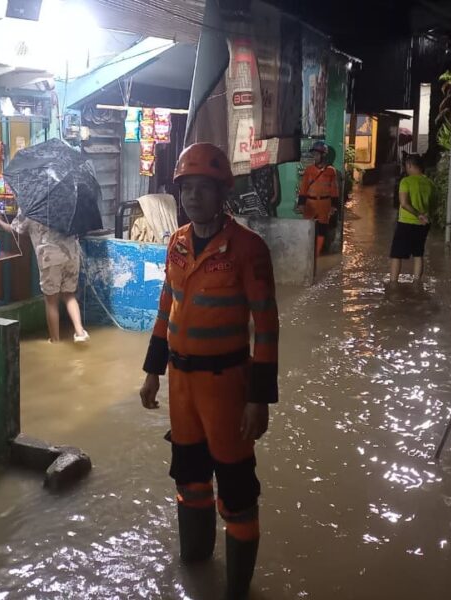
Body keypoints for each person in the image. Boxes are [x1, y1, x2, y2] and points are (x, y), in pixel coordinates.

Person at [139, 143, 279, 600]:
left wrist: (259, 399)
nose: (193, 196)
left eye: (203, 188)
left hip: (227, 389)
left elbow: (267, 326)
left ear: (223, 192)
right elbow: (166, 308)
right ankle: (195, 568)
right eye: (186, 188)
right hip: (181, 386)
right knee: (189, 478)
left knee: (237, 489)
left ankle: (237, 589)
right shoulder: (177, 242)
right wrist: (151, 372)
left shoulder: (248, 249)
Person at [0, 210, 89, 343]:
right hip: (72, 254)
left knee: (51, 301)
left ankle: (55, 341)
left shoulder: (31, 207)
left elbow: (15, 229)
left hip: (50, 257)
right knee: (69, 295)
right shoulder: (66, 204)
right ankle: (80, 332)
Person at [389, 154, 434, 287]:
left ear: (409, 165)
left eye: (406, 166)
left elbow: (404, 203)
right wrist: (424, 216)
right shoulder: (430, 183)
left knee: (397, 254)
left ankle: (393, 284)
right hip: (424, 224)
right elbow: (433, 205)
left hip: (406, 222)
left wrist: (417, 214)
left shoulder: (406, 181)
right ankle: (416, 284)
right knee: (418, 253)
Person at [296, 141, 339, 257]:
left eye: (317, 154)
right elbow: (303, 187)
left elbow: (334, 189)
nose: (314, 156)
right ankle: (307, 253)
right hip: (310, 203)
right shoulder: (309, 170)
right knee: (308, 229)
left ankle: (317, 255)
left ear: (323, 155)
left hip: (325, 204)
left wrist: (334, 206)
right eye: (314, 154)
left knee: (322, 230)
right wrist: (301, 203)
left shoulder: (331, 171)